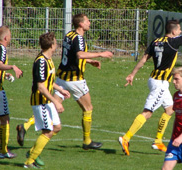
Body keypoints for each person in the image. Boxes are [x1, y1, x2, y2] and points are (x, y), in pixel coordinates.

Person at [118, 1, 182, 156]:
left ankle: (158, 141)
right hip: (160, 83)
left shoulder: (156, 41)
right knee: (148, 112)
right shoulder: (173, 43)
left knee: (169, 109)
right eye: (179, 30)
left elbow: (143, 59)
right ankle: (126, 138)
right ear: (173, 32)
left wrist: (132, 74)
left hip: (154, 79)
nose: (181, 32)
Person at [17, 14, 113, 151]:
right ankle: (87, 141)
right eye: (87, 21)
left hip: (61, 78)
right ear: (81, 24)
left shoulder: (69, 35)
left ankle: (25, 126)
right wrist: (101, 54)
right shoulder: (79, 38)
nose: (89, 23)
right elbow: (79, 54)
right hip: (75, 80)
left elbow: (72, 55)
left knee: (52, 107)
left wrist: (90, 61)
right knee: (88, 108)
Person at [24, 32, 70, 168]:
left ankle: (32, 153)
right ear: (51, 45)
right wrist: (56, 101)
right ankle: (29, 162)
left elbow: (48, 82)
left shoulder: (49, 59)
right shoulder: (41, 62)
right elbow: (41, 87)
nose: (57, 44)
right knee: (48, 131)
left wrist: (60, 89)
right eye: (55, 42)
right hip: (40, 101)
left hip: (46, 100)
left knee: (57, 127)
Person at [0, 25, 23, 159]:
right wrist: (12, 67)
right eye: (9, 35)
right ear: (5, 37)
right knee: (5, 120)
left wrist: (4, 75)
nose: (10, 37)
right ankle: (3, 151)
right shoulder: (2, 48)